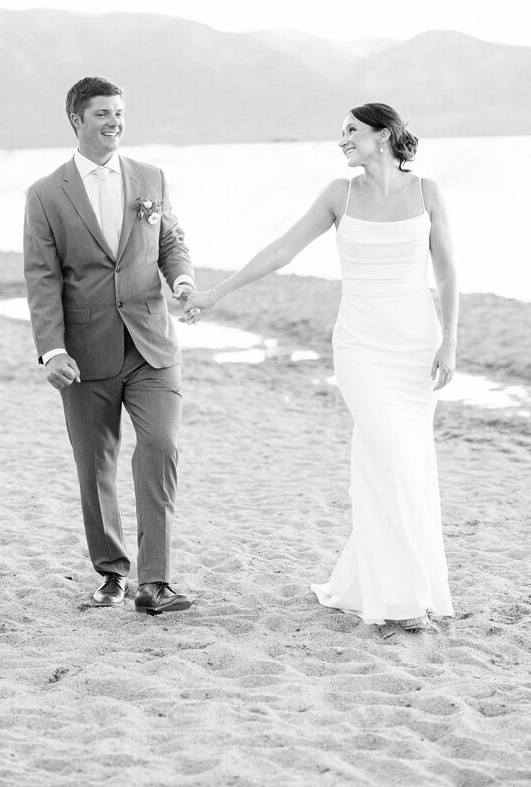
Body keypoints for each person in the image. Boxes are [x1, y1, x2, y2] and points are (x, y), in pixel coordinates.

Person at [182, 103, 457, 634]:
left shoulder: (428, 193)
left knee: (398, 463)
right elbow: (284, 249)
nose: (343, 140)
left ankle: (373, 582)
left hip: (415, 345)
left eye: (352, 131)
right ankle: (401, 599)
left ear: (383, 137)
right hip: (359, 347)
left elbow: (447, 273)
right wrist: (216, 293)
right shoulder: (339, 195)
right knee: (393, 457)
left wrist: (450, 341)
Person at [23, 77, 197, 615]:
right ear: (76, 120)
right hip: (85, 351)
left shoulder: (151, 177)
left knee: (161, 448)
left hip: (151, 343)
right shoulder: (46, 193)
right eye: (102, 114)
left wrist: (183, 282)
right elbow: (41, 277)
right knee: (95, 464)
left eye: (119, 112)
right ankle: (112, 574)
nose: (114, 122)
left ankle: (156, 582)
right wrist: (52, 351)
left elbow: (170, 240)